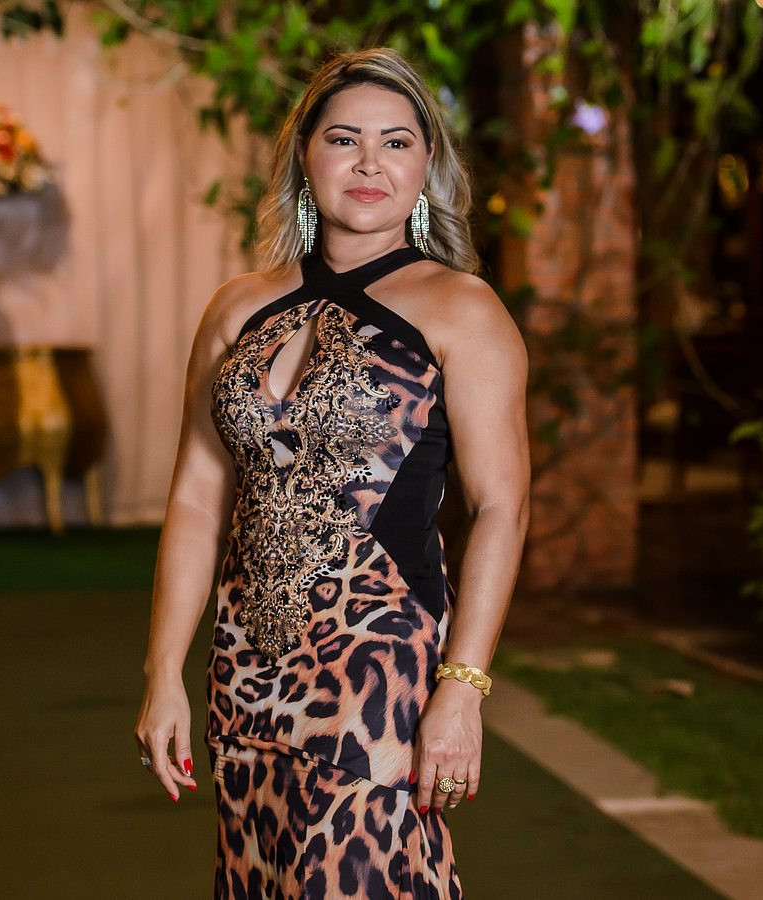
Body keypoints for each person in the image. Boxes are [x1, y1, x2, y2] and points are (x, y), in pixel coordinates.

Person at [134, 47, 529, 898]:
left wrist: (461, 688)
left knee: (359, 877)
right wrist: (163, 670)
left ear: (426, 164)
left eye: (396, 142)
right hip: (245, 659)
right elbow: (197, 499)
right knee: (259, 878)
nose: (368, 163)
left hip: (377, 656)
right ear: (304, 155)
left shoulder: (462, 308)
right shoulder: (238, 305)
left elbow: (502, 506)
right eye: (344, 139)